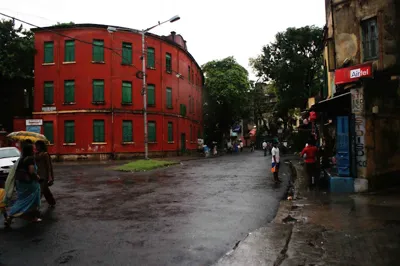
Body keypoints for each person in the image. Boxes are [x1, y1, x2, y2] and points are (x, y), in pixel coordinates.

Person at [5, 143, 42, 226]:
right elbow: (31, 171)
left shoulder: (21, 159)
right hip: (30, 184)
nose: (35, 150)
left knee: (21, 200)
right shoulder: (30, 159)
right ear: (30, 151)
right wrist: (37, 177)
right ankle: (32, 217)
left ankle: (10, 217)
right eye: (33, 149)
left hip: (21, 184)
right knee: (33, 201)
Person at [35, 140, 56, 207]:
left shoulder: (45, 154)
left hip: (44, 175)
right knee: (45, 190)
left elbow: (49, 166)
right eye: (36, 145)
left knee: (41, 190)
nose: (36, 147)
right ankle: (52, 202)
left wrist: (50, 176)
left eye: (37, 145)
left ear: (41, 146)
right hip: (38, 174)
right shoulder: (36, 154)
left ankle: (36, 205)